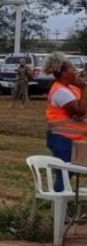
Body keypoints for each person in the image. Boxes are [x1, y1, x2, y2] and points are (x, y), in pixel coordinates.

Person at [44, 52, 87, 192]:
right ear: (63, 73)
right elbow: (80, 110)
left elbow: (83, 107)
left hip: (74, 137)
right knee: (65, 172)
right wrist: (84, 88)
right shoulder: (60, 91)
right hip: (61, 138)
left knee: (71, 171)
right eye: (72, 69)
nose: (76, 71)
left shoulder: (71, 88)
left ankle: (63, 200)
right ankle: (58, 200)